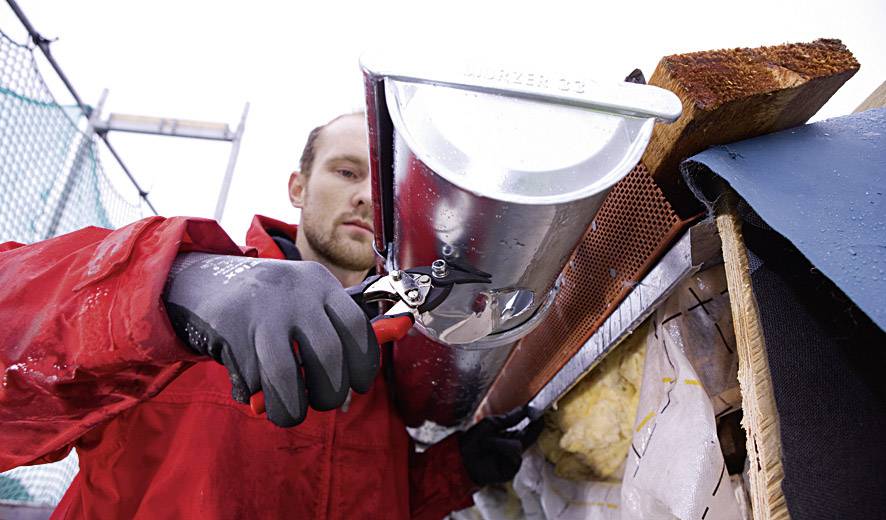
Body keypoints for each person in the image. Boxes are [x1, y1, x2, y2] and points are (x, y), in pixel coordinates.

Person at [0, 112, 538, 519]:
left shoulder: (395, 359)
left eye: (386, 187)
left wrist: (454, 471)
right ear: (298, 189)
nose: (366, 198)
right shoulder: (176, 309)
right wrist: (165, 289)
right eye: (347, 171)